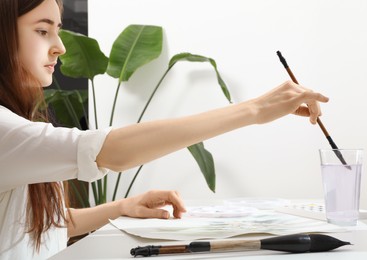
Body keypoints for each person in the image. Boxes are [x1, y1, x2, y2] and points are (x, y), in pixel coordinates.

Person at [0, 0, 329, 259]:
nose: (60, 46)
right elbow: (106, 151)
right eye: (42, 31)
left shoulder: (20, 123)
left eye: (57, 30)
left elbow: (50, 226)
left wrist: (121, 207)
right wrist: (253, 109)